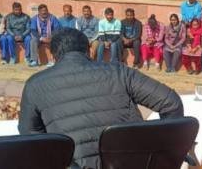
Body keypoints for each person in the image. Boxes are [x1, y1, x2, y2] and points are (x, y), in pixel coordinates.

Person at [18, 28, 183, 169]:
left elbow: (31, 137)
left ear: (53, 56)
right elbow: (171, 103)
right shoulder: (119, 72)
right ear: (89, 51)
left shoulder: (35, 84)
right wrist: (161, 150)